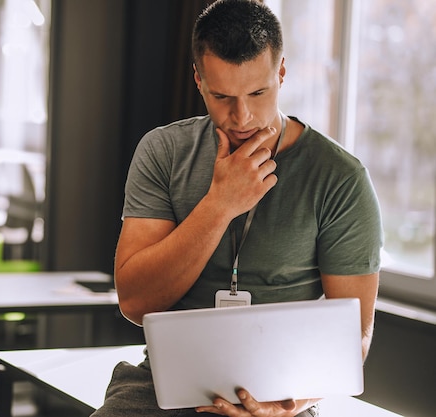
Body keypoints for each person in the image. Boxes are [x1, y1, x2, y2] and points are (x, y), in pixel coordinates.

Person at [92, 0, 382, 416]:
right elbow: (136, 303)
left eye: (258, 92)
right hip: (164, 387)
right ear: (198, 80)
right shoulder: (163, 151)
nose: (241, 116)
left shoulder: (340, 177)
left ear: (281, 73)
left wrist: (286, 404)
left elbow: (354, 336)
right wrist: (219, 205)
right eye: (222, 96)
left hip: (281, 395)